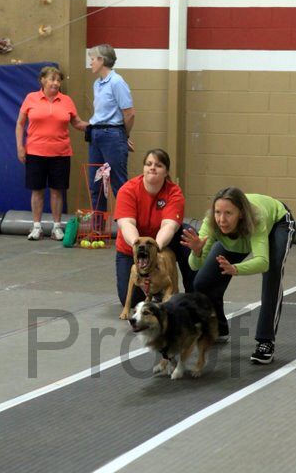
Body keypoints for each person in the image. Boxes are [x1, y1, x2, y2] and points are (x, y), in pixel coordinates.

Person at [181, 187, 295, 364]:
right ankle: (219, 328)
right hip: (238, 239)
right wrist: (196, 252)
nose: (222, 219)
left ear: (240, 213)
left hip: (277, 223)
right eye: (218, 212)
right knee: (203, 282)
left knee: (272, 271)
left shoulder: (256, 219)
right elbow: (195, 265)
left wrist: (236, 269)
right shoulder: (211, 223)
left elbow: (262, 262)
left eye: (228, 213)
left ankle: (266, 341)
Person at [115, 148, 197, 307]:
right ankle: (157, 291)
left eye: (158, 165)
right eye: (148, 164)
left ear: (166, 172)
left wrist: (155, 248)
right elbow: (126, 224)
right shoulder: (127, 190)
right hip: (131, 247)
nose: (152, 168)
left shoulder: (174, 193)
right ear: (143, 168)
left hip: (162, 243)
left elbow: (169, 226)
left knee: (188, 232)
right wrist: (139, 247)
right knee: (132, 301)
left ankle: (193, 295)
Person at [16, 66, 87, 240]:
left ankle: (57, 227)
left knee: (57, 191)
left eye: (58, 80)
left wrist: (97, 125)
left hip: (60, 153)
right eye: (52, 79)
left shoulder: (66, 100)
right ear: (42, 80)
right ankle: (36, 227)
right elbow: (20, 124)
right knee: (37, 191)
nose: (56, 83)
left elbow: (77, 123)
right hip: (35, 152)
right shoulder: (31, 98)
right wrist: (20, 147)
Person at [87, 44, 135, 211]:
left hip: (112, 134)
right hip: (96, 134)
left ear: (102, 60)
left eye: (93, 59)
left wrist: (123, 136)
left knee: (119, 184)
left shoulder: (117, 82)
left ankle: (127, 229)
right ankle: (98, 231)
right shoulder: (97, 84)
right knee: (96, 184)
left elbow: (129, 114)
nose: (91, 63)